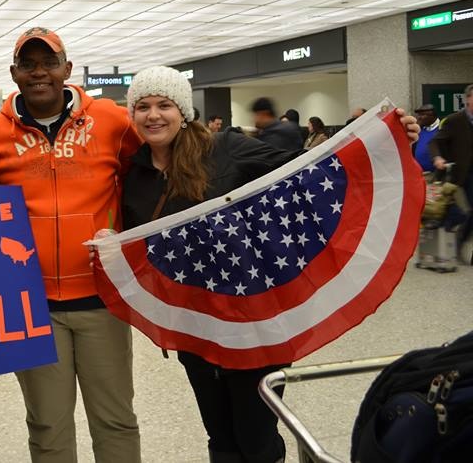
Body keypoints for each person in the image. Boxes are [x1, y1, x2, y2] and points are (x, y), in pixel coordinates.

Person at [111, 65, 419, 463]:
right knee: (219, 433)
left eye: (164, 105)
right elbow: (139, 245)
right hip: (195, 324)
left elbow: (307, 166)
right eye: (143, 107)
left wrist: (387, 140)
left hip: (253, 319)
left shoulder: (223, 148)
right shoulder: (135, 174)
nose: (153, 115)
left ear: (183, 111)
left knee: (256, 435)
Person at [0, 27, 144, 463]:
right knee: (48, 425)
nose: (39, 72)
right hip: (31, 304)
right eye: (28, 65)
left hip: (101, 298)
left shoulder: (113, 122)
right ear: (14, 74)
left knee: (115, 419)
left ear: (67, 69)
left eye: (49, 62)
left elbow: (141, 180)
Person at [429, 84, 473, 255]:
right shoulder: (455, 120)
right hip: (459, 174)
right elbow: (435, 142)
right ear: (468, 99)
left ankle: (459, 240)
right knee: (464, 212)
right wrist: (437, 158)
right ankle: (456, 241)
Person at [413, 103, 440, 172]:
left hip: (435, 174)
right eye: (418, 115)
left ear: (431, 116)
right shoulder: (420, 130)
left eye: (422, 115)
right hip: (420, 173)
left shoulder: (442, 129)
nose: (419, 117)